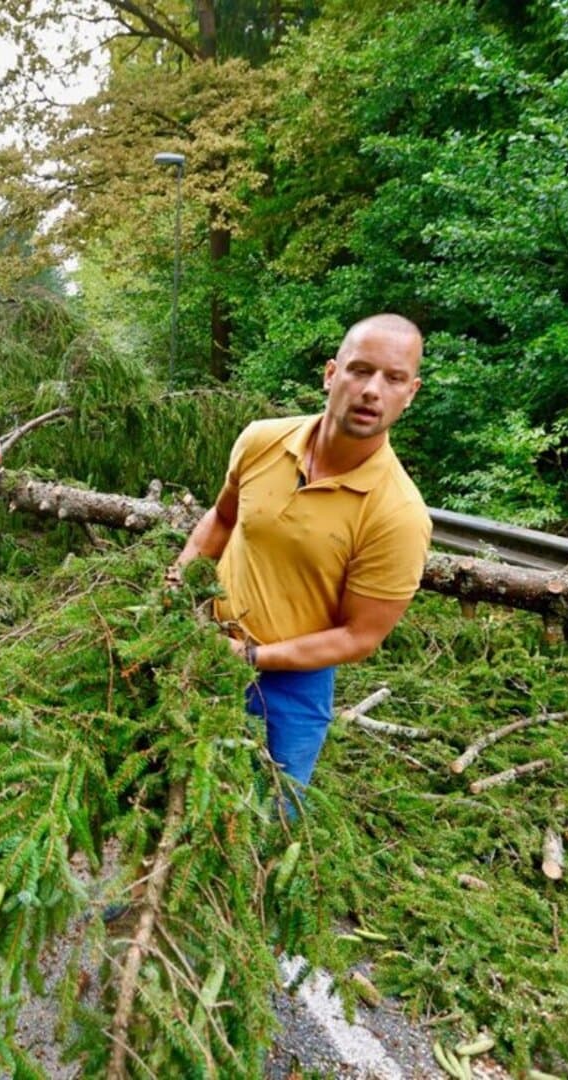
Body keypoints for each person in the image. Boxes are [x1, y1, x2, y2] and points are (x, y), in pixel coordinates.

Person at [165, 314, 431, 807]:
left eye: (393, 379)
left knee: (264, 824)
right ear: (331, 374)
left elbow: (359, 636)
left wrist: (251, 658)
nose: (372, 390)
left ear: (410, 392)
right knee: (169, 797)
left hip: (290, 690)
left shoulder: (397, 514)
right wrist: (179, 580)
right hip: (203, 648)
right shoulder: (261, 440)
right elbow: (221, 520)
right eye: (360, 370)